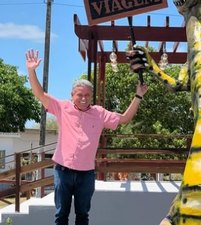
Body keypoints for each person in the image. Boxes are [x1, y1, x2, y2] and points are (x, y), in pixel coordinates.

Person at [25, 49, 148, 225]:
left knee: (83, 216)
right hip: (63, 170)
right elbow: (40, 94)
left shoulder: (99, 113)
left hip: (86, 174)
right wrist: (31, 70)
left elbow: (124, 119)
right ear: (72, 95)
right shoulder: (62, 108)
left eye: (87, 95)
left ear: (92, 97)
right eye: (79, 95)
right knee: (61, 215)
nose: (83, 98)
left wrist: (138, 96)